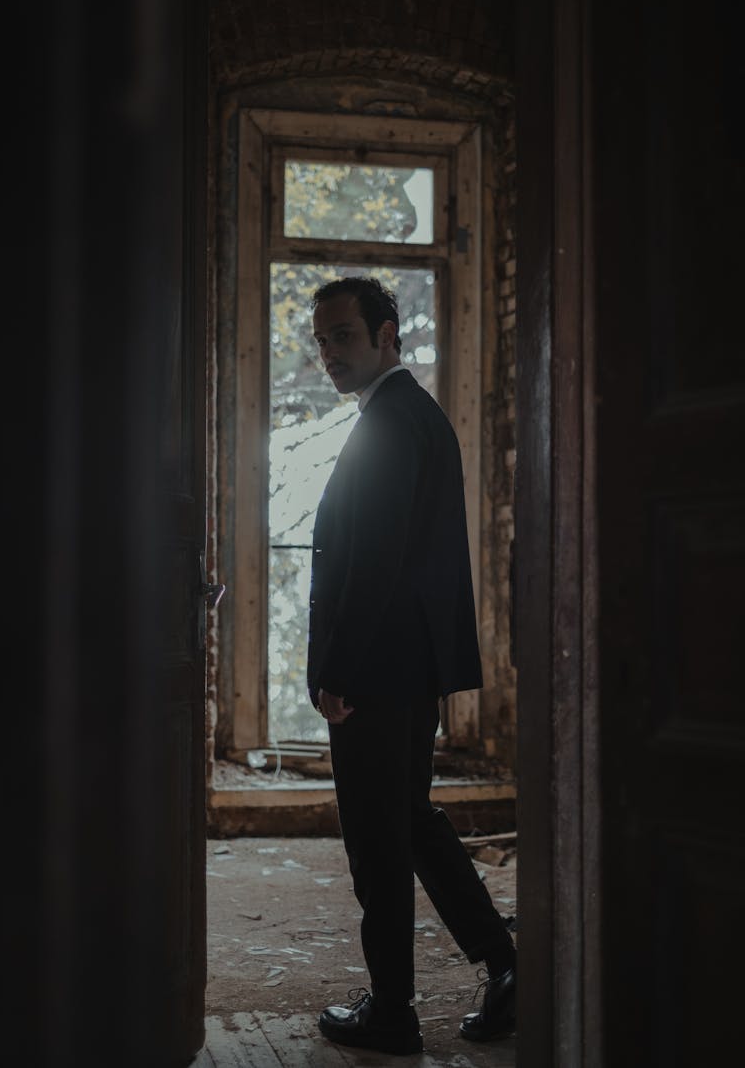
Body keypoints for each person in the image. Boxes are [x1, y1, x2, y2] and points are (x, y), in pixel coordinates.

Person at [307, 276, 517, 1056]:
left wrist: (339, 669)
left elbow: (378, 561)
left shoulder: (393, 422)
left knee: (377, 838)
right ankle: (504, 962)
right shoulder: (405, 415)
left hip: (379, 671)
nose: (329, 352)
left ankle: (392, 1009)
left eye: (344, 337)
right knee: (412, 823)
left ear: (388, 334)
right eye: (322, 339)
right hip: (404, 665)